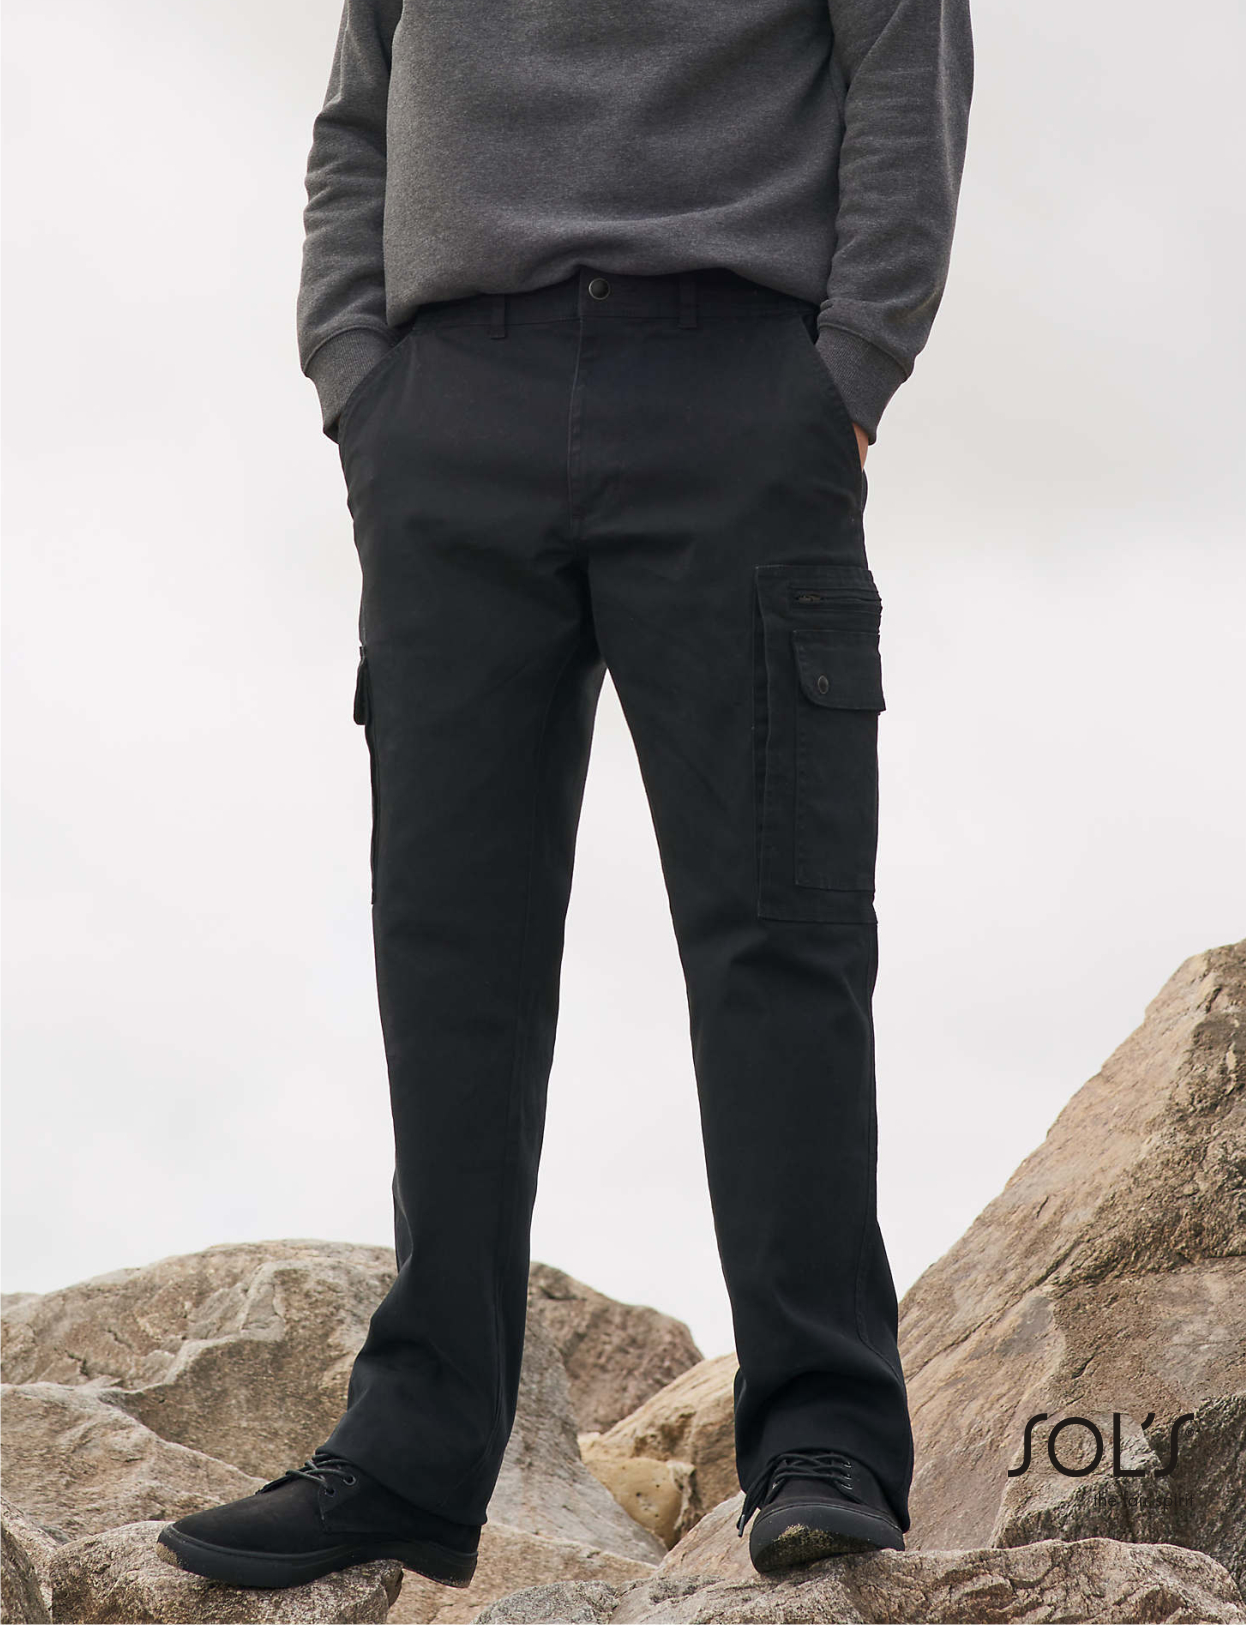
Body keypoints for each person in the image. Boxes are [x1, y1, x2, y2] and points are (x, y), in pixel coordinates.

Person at [158, 0, 972, 1592]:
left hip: (737, 394)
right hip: (448, 407)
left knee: (779, 934)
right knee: (447, 950)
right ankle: (410, 1453)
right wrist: (358, 378)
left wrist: (846, 376)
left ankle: (821, 1438)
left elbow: (904, 73)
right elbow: (357, 115)